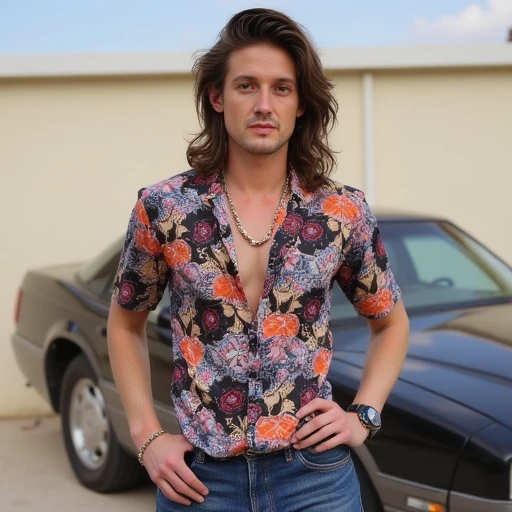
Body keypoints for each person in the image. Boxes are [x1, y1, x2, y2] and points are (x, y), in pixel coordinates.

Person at [107, 7, 409, 512]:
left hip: (314, 476)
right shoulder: (164, 208)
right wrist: (146, 435)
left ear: (300, 104)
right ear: (217, 97)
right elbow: (123, 325)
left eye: (282, 88)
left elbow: (391, 324)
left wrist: (364, 416)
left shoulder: (341, 210)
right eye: (247, 86)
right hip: (200, 483)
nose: (264, 104)